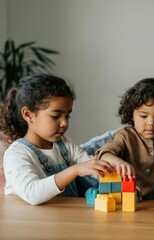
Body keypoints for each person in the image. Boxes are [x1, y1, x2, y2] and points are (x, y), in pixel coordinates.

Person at [0, 74, 115, 205]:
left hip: (63, 218)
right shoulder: (16, 154)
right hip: (28, 222)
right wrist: (75, 170)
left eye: (67, 116)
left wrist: (119, 183)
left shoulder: (64, 144)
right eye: (56, 116)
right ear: (28, 114)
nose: (64, 123)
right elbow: (32, 194)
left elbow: (90, 166)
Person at [93, 78, 154, 200]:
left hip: (152, 204)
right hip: (121, 200)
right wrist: (119, 162)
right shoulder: (125, 136)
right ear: (132, 114)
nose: (151, 123)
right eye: (144, 116)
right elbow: (103, 154)